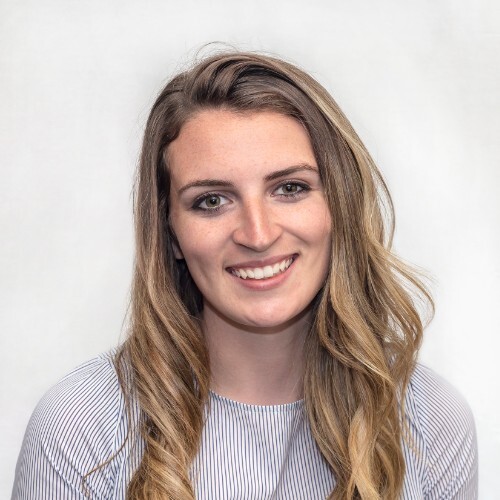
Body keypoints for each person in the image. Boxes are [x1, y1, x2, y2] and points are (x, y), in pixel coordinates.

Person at [12, 51, 478, 500]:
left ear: (340, 205)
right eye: (212, 201)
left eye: (289, 188)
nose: (258, 235)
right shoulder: (80, 429)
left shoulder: (427, 420)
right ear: (171, 234)